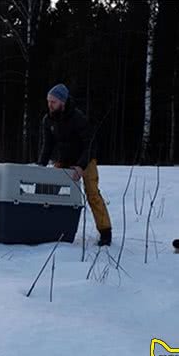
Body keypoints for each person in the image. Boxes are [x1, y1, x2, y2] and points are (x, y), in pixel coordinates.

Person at [37, 83, 112, 246]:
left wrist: (81, 166)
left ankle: (106, 232)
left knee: (92, 193)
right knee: (50, 191)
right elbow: (47, 146)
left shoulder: (78, 118)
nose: (49, 105)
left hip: (86, 159)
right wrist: (40, 168)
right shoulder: (47, 120)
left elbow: (90, 143)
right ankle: (50, 229)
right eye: (48, 101)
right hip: (64, 160)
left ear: (62, 102)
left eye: (53, 102)